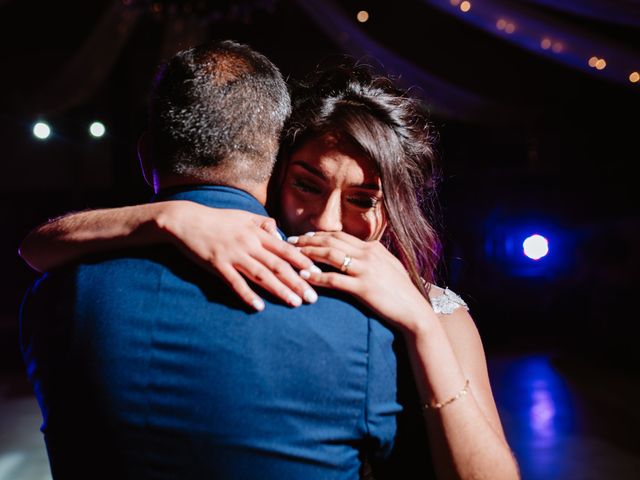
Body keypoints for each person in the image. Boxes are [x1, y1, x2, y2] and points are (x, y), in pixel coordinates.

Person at [20, 50, 520, 479]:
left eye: (363, 199)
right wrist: (170, 215)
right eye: (308, 185)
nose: (327, 221)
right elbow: (37, 247)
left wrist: (420, 324)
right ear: (274, 175)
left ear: (392, 209)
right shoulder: (236, 251)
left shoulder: (436, 311)